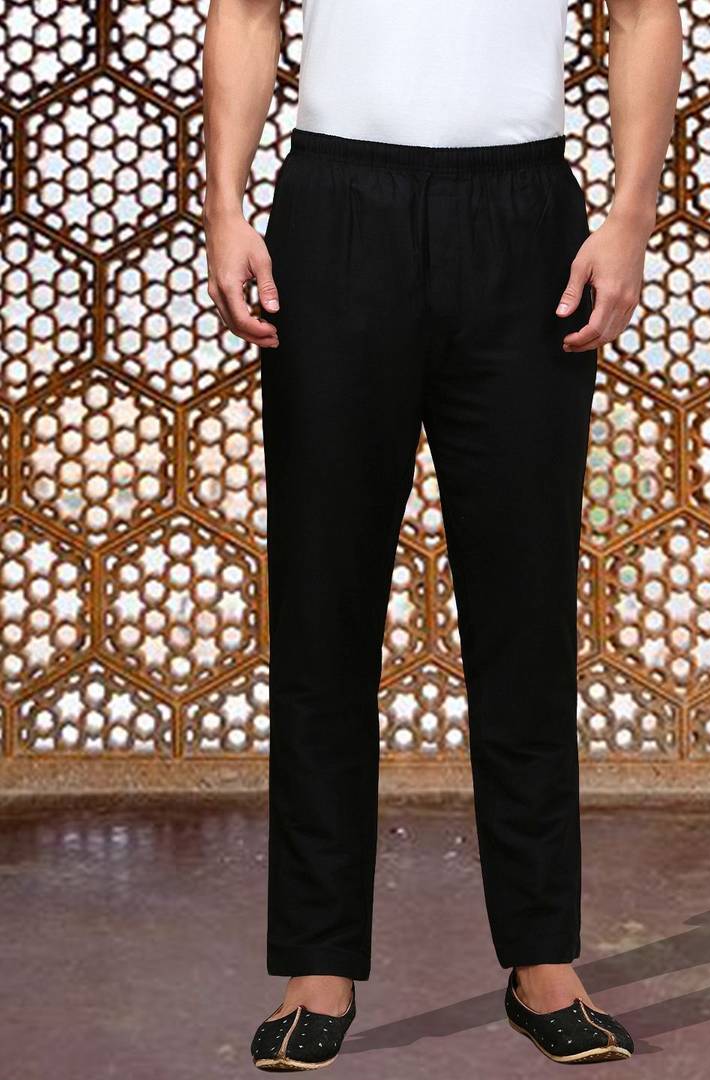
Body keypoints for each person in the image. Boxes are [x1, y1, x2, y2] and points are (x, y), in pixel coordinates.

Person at [203, 0, 682, 1069]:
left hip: (524, 213)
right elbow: (245, 10)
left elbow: (647, 13)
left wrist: (630, 219)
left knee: (524, 607)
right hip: (336, 205)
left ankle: (543, 960)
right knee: (324, 604)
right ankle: (316, 965)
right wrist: (224, 205)